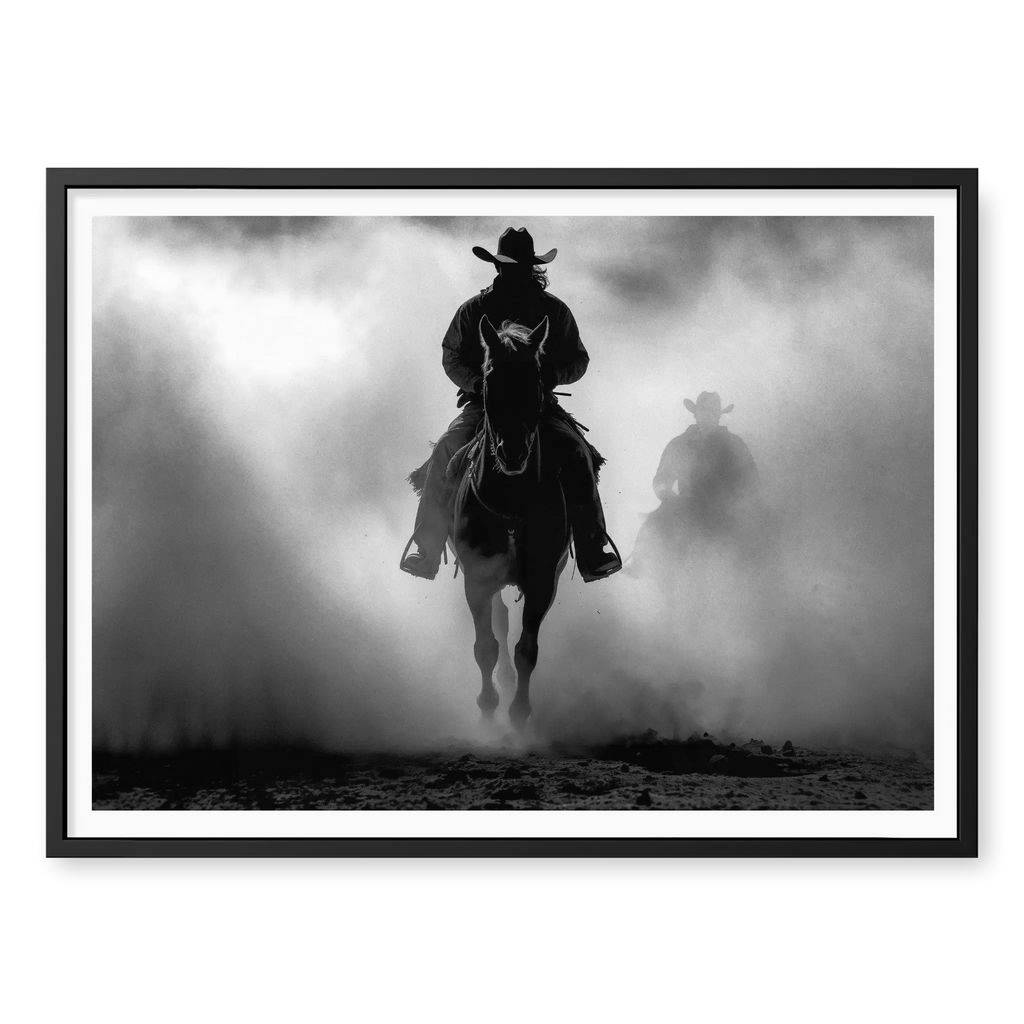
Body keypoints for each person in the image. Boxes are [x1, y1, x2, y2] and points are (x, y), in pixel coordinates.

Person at [401, 227, 622, 583]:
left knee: (577, 453)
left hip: (538, 407)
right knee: (445, 450)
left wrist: (551, 376)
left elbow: (578, 360)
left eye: (519, 266)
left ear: (530, 268)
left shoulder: (555, 311)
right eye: (508, 266)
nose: (514, 272)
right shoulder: (474, 309)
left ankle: (592, 548)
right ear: (498, 267)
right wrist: (478, 385)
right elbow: (451, 356)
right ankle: (426, 549)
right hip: (485, 405)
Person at [652, 391, 760, 532]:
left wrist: (735, 507)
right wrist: (675, 503)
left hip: (726, 520)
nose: (708, 416)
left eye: (712, 412)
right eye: (704, 411)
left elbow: (752, 482)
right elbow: (660, 483)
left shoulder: (735, 445)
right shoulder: (679, 445)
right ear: (696, 414)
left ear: (718, 416)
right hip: (687, 518)